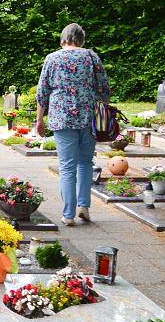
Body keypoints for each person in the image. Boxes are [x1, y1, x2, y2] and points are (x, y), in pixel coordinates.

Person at [35, 23, 111, 226]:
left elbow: (42, 92)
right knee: (86, 163)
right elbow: (104, 88)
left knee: (67, 167)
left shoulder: (52, 58)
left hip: (62, 118)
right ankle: (84, 207)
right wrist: (101, 108)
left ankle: (68, 215)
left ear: (64, 38)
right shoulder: (91, 56)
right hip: (88, 118)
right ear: (81, 39)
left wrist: (39, 119)